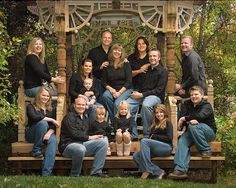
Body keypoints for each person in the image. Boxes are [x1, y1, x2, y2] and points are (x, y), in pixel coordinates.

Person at [168, 86, 217, 180]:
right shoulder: (187, 104)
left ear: (202, 95)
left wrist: (186, 119)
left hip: (208, 132)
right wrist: (184, 121)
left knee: (193, 125)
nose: (194, 96)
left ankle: (206, 150)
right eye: (192, 95)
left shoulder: (206, 105)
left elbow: (201, 115)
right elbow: (181, 117)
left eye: (196, 94)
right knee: (182, 140)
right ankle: (180, 170)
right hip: (192, 131)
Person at [58, 95, 108, 177]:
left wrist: (98, 136)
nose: (81, 106)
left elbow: (88, 133)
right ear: (74, 105)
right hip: (68, 146)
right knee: (80, 149)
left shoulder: (85, 118)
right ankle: (75, 175)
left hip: (82, 143)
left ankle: (96, 172)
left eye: (83, 105)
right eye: (79, 104)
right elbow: (74, 134)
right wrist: (90, 137)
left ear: (86, 106)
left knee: (103, 143)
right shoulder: (69, 117)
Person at [127, 48, 168, 138]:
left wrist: (141, 95)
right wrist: (137, 92)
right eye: (150, 56)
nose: (152, 58)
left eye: (154, 56)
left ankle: (147, 134)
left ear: (159, 58)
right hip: (141, 94)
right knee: (127, 105)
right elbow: (139, 84)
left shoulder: (163, 71)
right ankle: (133, 134)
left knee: (146, 105)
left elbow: (159, 90)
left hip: (155, 97)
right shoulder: (146, 69)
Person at [133, 104, 173, 179]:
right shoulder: (154, 124)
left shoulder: (168, 122)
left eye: (161, 112)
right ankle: (159, 172)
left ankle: (146, 171)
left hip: (166, 147)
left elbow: (169, 138)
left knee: (144, 141)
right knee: (136, 156)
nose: (159, 114)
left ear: (164, 113)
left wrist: (155, 136)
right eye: (157, 112)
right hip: (155, 148)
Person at [25, 87, 58, 176]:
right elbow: (34, 117)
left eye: (47, 96)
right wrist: (50, 119)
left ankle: (46, 173)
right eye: (43, 95)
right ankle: (36, 150)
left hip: (47, 134)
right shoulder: (31, 106)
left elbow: (55, 125)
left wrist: (49, 132)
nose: (45, 97)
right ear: (38, 95)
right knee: (42, 123)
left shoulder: (51, 109)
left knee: (53, 141)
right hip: (32, 134)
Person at [101, 44, 132, 122]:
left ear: (121, 53)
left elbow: (129, 81)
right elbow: (103, 81)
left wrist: (119, 93)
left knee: (117, 104)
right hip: (112, 89)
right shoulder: (107, 65)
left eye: (119, 50)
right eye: (115, 50)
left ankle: (118, 124)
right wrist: (111, 89)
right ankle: (115, 121)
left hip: (125, 89)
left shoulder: (126, 64)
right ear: (111, 52)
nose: (117, 52)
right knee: (105, 96)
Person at [87, 30, 113, 104]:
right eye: (105, 37)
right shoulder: (93, 51)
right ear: (101, 39)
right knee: (100, 101)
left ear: (111, 40)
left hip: (112, 82)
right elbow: (88, 68)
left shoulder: (114, 51)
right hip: (98, 81)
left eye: (109, 38)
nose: (107, 39)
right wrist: (100, 67)